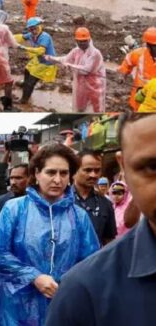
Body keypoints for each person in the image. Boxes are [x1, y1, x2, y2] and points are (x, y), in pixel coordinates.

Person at [45, 113, 156, 326]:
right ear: (123, 166)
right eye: (151, 168)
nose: (93, 175)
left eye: (96, 170)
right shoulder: (85, 290)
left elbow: (108, 237)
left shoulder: (103, 204)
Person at [0, 143, 100, 326]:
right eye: (51, 172)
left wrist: (69, 287)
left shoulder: (79, 217)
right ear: (37, 173)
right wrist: (34, 277)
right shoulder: (15, 209)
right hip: (16, 308)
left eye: (63, 173)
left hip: (62, 306)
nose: (57, 180)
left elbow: (91, 262)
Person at [45, 27, 106, 112]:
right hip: (81, 84)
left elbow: (86, 70)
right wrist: (50, 58)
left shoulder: (95, 53)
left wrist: (69, 65)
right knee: (80, 108)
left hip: (95, 86)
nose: (82, 43)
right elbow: (65, 59)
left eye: (84, 41)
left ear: (89, 40)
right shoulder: (76, 51)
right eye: (80, 41)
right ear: (76, 41)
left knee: (96, 109)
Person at [72, 149, 117, 246]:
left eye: (97, 170)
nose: (93, 175)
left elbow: (109, 241)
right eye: (88, 170)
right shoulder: (61, 200)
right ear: (75, 170)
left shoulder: (106, 204)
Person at [20, 17, 56, 104]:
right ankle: (26, 90)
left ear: (39, 26)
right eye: (31, 28)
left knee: (31, 81)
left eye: (34, 27)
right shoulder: (31, 35)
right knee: (27, 71)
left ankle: (24, 100)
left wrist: (24, 47)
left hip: (47, 62)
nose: (33, 30)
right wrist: (8, 38)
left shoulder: (45, 37)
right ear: (28, 29)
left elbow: (41, 50)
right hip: (38, 59)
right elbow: (20, 37)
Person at [118, 27, 156, 111]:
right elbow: (128, 61)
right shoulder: (139, 54)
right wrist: (122, 75)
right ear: (148, 45)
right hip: (139, 94)